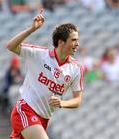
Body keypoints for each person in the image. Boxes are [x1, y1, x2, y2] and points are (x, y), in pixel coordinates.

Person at [6, 9, 83, 139]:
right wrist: (31, 29)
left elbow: (77, 100)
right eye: (73, 40)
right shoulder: (40, 54)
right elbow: (11, 46)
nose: (77, 44)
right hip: (25, 110)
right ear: (61, 42)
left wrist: (62, 103)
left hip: (43, 118)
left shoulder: (76, 69)